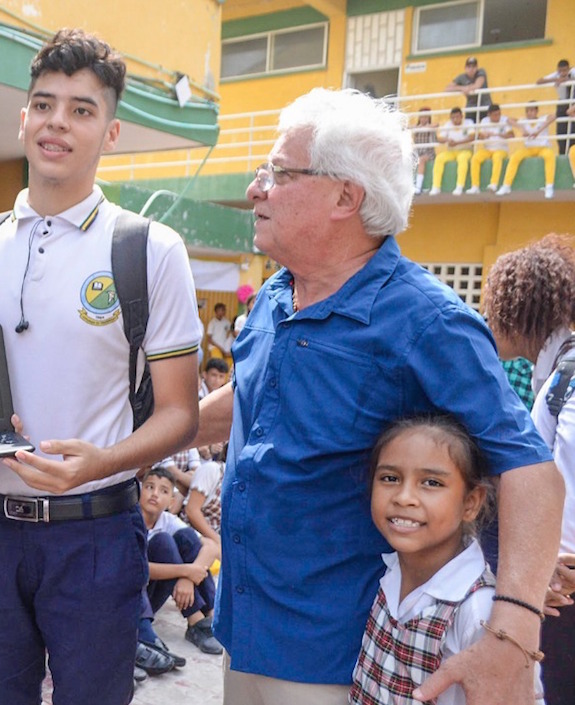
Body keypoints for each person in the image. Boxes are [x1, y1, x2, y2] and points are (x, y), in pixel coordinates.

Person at [192, 88, 561, 705]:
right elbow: (254, 398)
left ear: (346, 196)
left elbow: (528, 467)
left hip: (338, 658)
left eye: (279, 173)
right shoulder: (280, 295)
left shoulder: (427, 320)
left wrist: (512, 631)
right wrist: (130, 440)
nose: (256, 188)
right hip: (243, 629)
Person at [0, 29, 202, 705]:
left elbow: (179, 413)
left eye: (81, 109)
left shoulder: (150, 249)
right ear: (22, 117)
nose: (57, 122)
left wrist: (99, 462)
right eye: (43, 104)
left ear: (110, 131)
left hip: (96, 532)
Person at [351, 415, 544, 705]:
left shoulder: (479, 609)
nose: (404, 497)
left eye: (431, 482)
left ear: (471, 503)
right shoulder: (389, 570)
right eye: (390, 478)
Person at [482, 234, 575, 705]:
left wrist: (551, 563)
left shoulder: (566, 376)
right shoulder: (556, 372)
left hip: (563, 584)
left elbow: (566, 474)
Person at [139, 467, 222, 656]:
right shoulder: (130, 520)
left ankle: (209, 616)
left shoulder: (167, 520)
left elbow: (210, 547)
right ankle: (195, 620)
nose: (155, 494)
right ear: (139, 491)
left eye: (164, 491)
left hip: (161, 589)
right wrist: (184, 571)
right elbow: (138, 568)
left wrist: (189, 577)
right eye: (149, 487)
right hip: (138, 600)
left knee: (186, 537)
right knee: (163, 542)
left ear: (172, 501)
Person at [500, 103, 557, 199]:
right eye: (527, 111)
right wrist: (522, 129)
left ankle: (549, 186)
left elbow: (554, 116)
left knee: (550, 156)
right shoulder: (523, 121)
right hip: (529, 149)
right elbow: (508, 119)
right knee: (515, 157)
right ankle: (506, 185)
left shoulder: (542, 118)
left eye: (531, 110)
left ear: (536, 111)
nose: (529, 113)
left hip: (543, 148)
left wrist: (538, 131)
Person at [430, 107, 475, 196]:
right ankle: (436, 186)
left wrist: (457, 142)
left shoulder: (468, 122)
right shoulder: (448, 124)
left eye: (457, 117)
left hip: (465, 150)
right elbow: (440, 138)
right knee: (439, 158)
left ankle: (459, 186)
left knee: (462, 159)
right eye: (453, 117)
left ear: (462, 116)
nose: (455, 119)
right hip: (451, 151)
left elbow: (472, 137)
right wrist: (448, 140)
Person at [467, 104, 511, 194]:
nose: (497, 117)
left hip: (501, 149)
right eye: (495, 115)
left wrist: (498, 135)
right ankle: (475, 186)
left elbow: (511, 134)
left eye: (499, 114)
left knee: (497, 158)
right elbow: (479, 135)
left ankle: (494, 184)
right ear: (489, 115)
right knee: (475, 158)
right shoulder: (484, 121)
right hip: (488, 149)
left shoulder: (504, 120)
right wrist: (483, 135)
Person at [536, 59, 573, 156]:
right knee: (561, 131)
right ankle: (563, 154)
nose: (563, 73)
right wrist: (555, 80)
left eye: (565, 70)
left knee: (572, 129)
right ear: (558, 70)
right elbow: (539, 81)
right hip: (562, 103)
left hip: (573, 101)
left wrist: (568, 80)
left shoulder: (573, 72)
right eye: (561, 71)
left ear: (569, 69)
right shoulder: (556, 75)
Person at [447, 57, 491, 125]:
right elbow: (447, 89)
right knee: (470, 127)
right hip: (471, 106)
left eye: (473, 67)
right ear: (465, 68)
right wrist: (462, 88)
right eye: (469, 67)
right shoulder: (461, 77)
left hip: (485, 105)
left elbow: (477, 85)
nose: (471, 69)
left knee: (487, 126)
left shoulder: (481, 72)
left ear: (477, 67)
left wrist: (467, 88)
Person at [413, 108, 437, 195]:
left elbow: (433, 143)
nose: (423, 119)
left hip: (428, 153)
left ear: (428, 118)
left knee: (421, 160)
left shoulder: (431, 128)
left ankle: (418, 187)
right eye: (421, 117)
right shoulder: (416, 129)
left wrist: (428, 128)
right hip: (418, 153)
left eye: (425, 117)